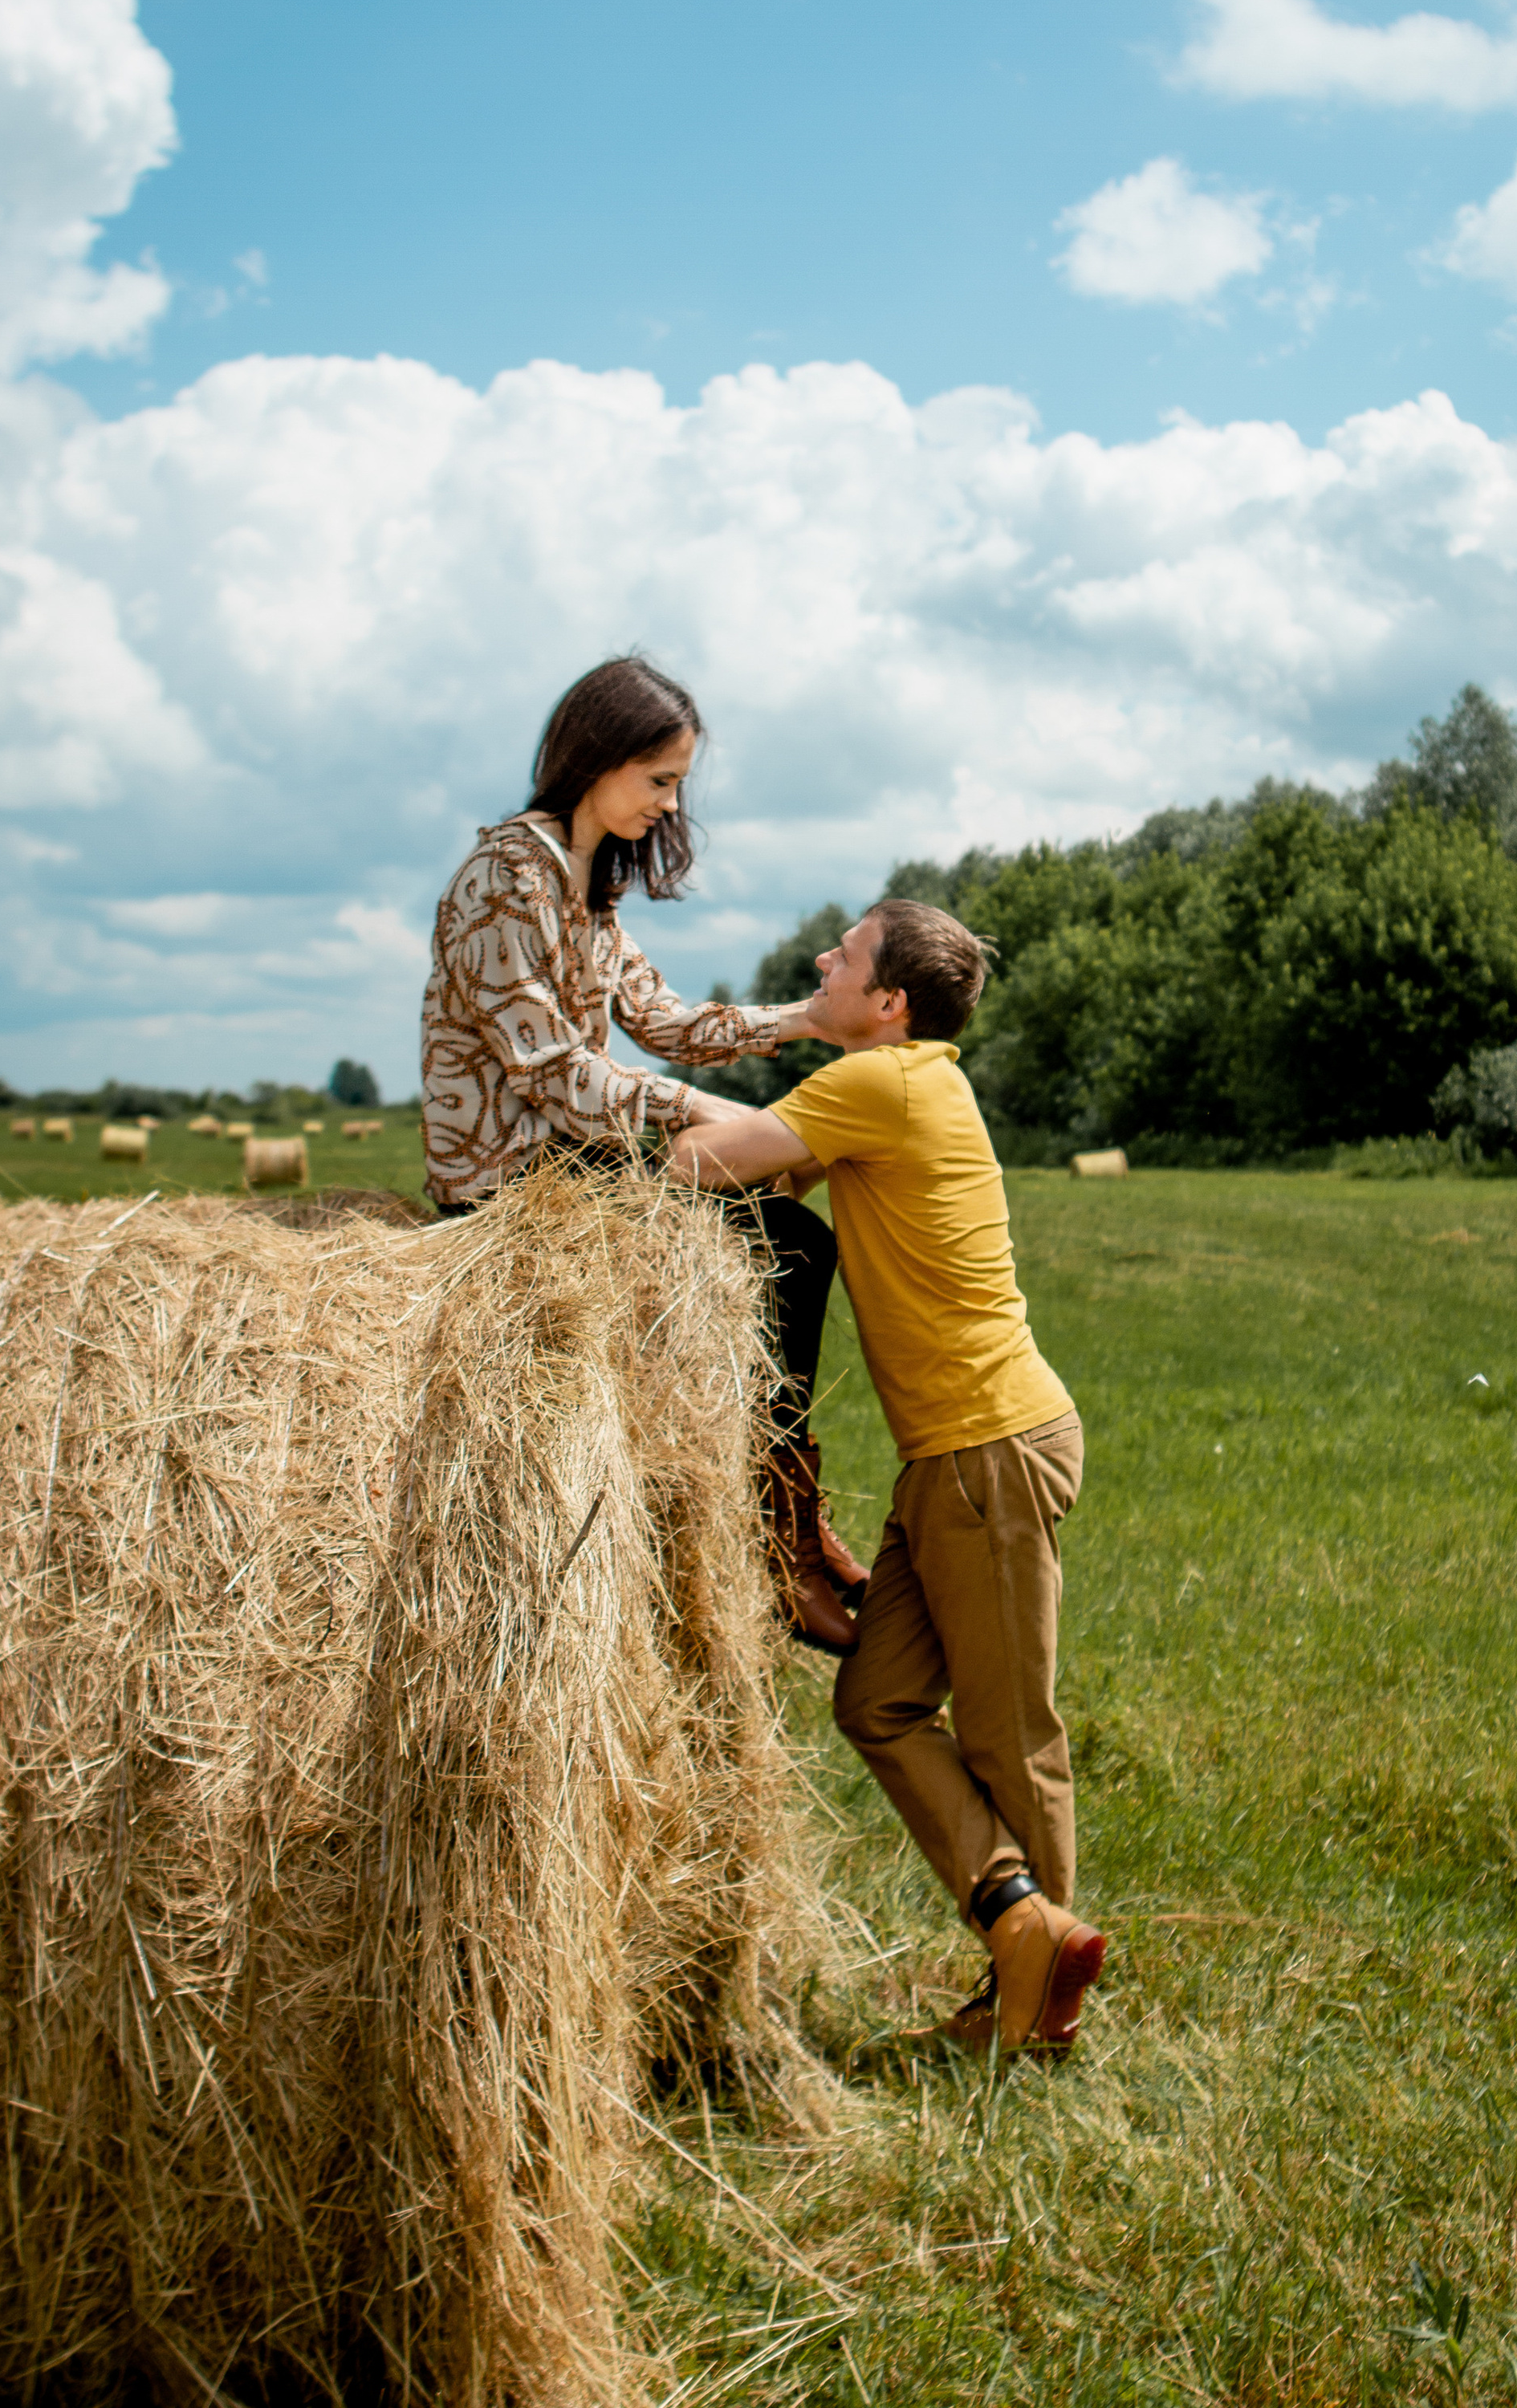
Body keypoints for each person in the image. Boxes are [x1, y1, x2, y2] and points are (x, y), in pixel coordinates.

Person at [665, 899, 1104, 2061]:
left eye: (846, 955)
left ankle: (1036, 2011)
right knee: (877, 1701)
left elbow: (699, 1160)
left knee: (1012, 1738)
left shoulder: (881, 1085)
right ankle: (1021, 1926)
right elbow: (785, 1179)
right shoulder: (902, 1089)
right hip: (950, 1464)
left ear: (890, 1002)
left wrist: (616, 1104)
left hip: (987, 1450)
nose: (822, 960)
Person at [420, 652, 866, 1651]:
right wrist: (699, 1111)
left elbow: (663, 1021)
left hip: (570, 1158)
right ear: (596, 756)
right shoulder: (506, 875)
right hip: (508, 1175)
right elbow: (549, 1068)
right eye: (659, 780)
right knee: (789, 1243)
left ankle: (785, 1509)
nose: (670, 808)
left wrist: (805, 1018)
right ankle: (776, 1532)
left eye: (678, 786)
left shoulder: (590, 890)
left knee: (785, 1226)